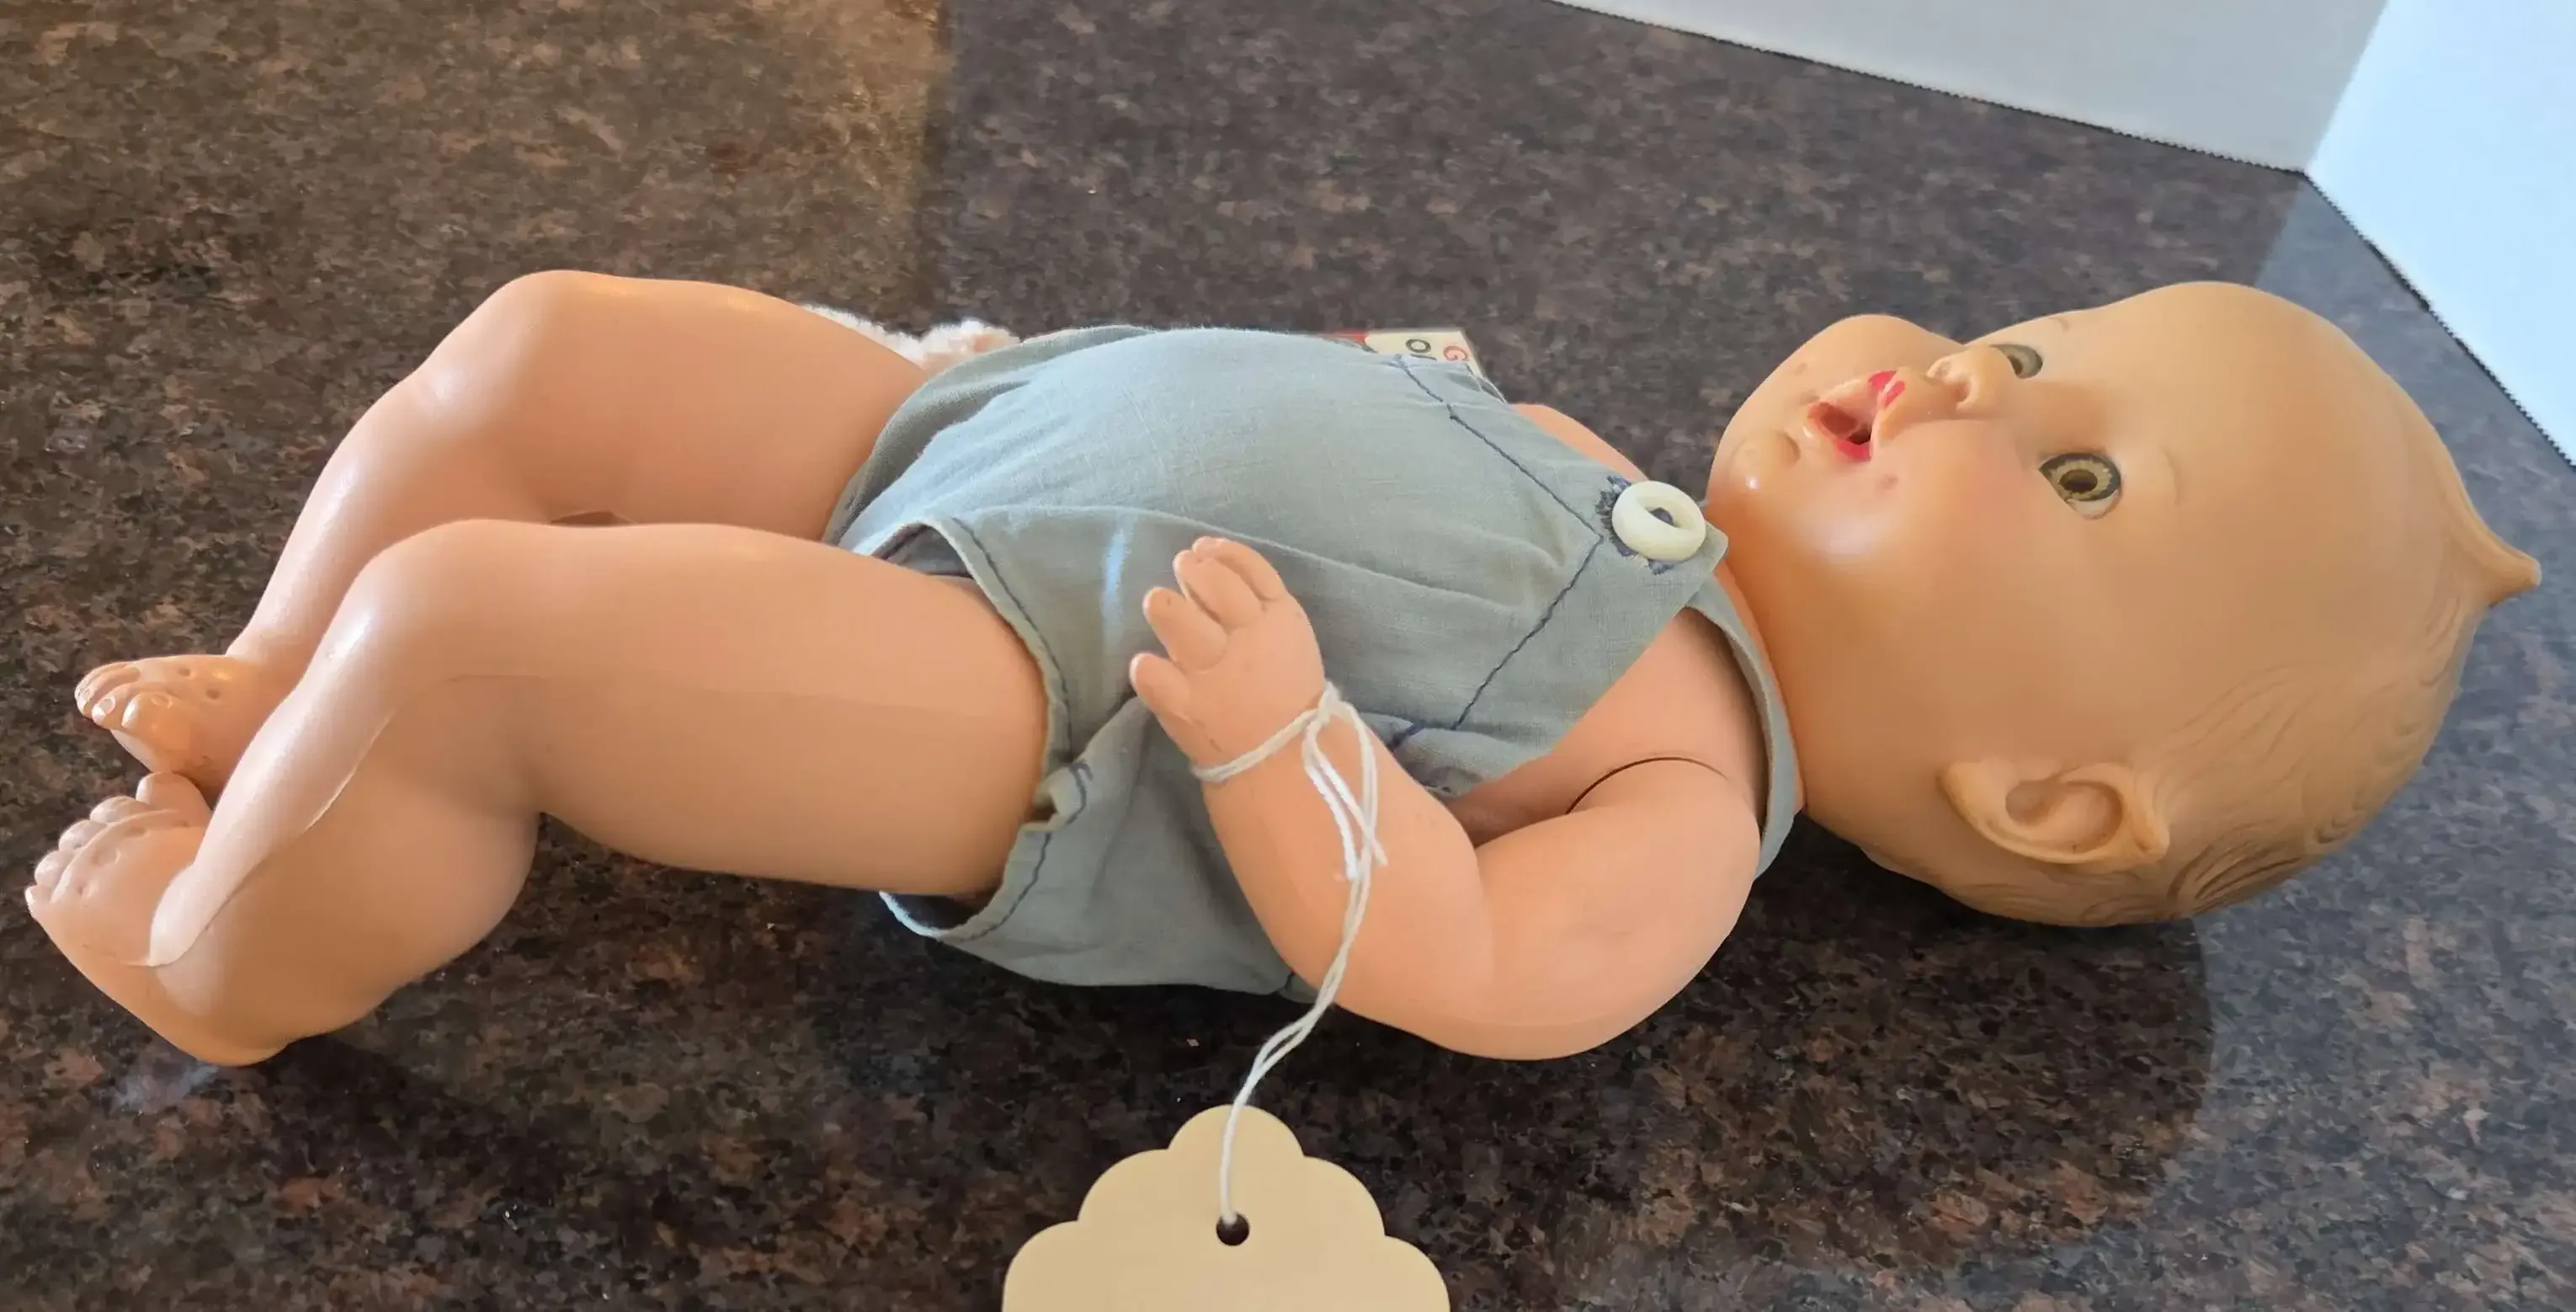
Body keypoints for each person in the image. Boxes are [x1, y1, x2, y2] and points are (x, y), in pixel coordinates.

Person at [26, 274, 2538, 1067]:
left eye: (2078, 472)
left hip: (1040, 694)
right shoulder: (1626, 485)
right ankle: (269, 680)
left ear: (2044, 796)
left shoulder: (1682, 796)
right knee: (536, 349)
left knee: (480, 634)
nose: (1979, 375)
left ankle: (229, 958)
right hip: (981, 428)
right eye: (2038, 337)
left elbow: (1473, 972)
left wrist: (1281, 744)